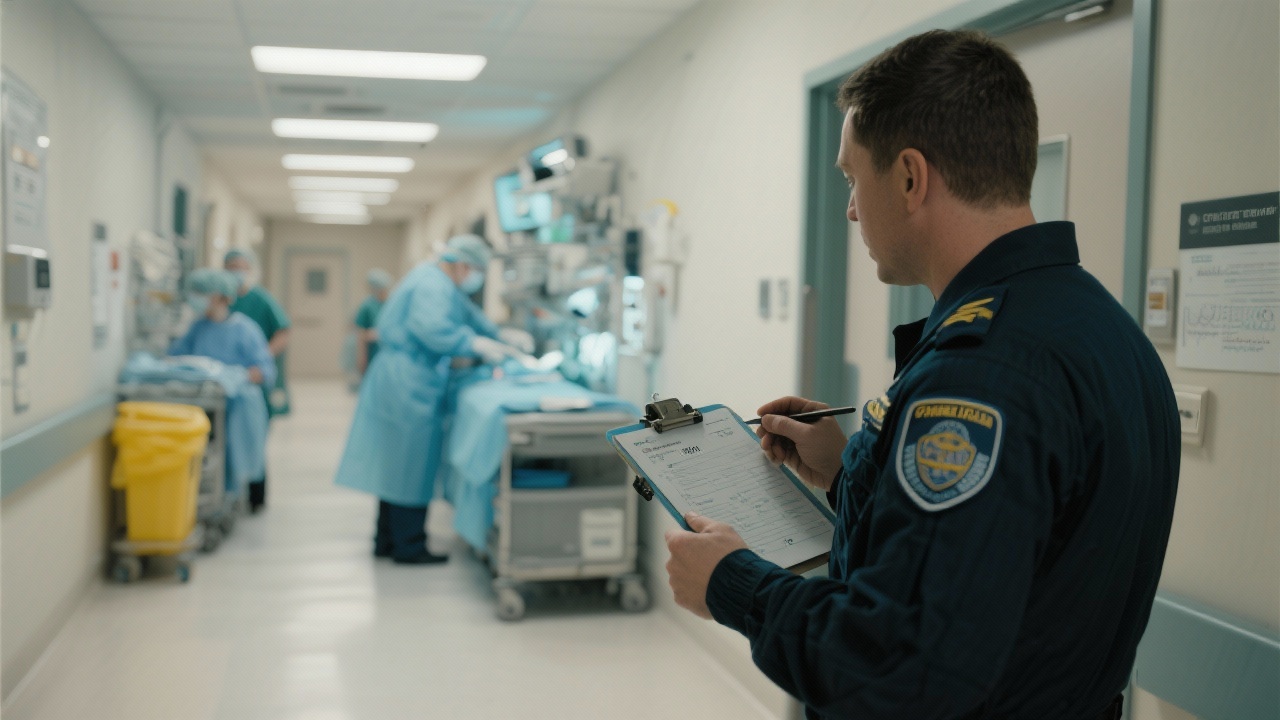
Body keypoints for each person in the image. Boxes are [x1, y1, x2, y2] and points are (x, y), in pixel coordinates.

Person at [663, 30, 1179, 720]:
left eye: (852, 177)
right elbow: (1007, 551)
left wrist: (732, 581)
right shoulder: (1098, 327)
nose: (849, 208)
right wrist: (850, 471)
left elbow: (901, 667)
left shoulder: (985, 373)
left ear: (909, 177)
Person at [333, 235, 531, 565]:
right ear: (462, 265)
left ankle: (386, 540)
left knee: (394, 464)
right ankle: (409, 546)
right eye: (477, 270)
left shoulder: (436, 280)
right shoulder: (433, 285)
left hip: (402, 374)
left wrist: (500, 335)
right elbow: (433, 330)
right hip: (408, 379)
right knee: (410, 463)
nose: (475, 278)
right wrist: (476, 345)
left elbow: (470, 317)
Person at [225, 248, 291, 511]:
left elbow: (283, 330)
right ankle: (229, 493)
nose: (237, 272)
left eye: (242, 267)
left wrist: (262, 357)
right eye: (232, 267)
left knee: (254, 436)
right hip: (228, 380)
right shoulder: (221, 299)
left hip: (253, 380)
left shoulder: (261, 300)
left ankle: (256, 497)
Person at [354, 268, 393, 379]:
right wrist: (362, 357)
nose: (384, 292)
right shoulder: (367, 306)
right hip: (372, 352)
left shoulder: (391, 304)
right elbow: (360, 333)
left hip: (388, 353)